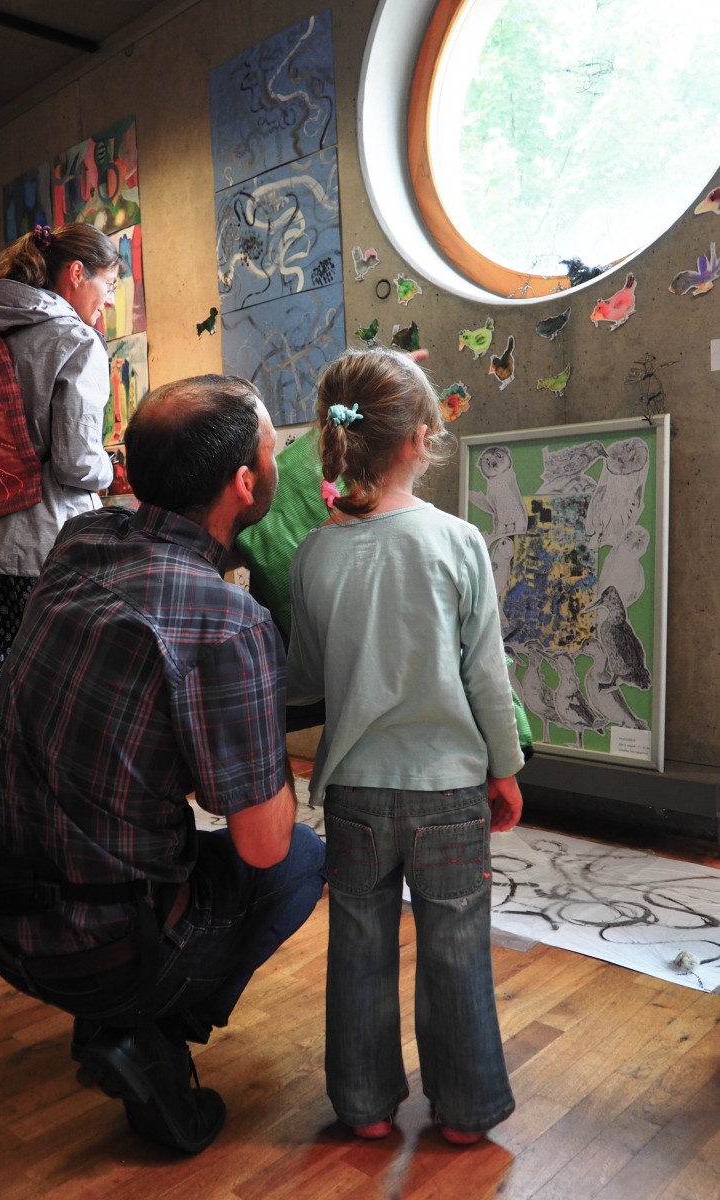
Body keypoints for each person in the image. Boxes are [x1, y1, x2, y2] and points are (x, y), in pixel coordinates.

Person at [0, 374, 326, 1155]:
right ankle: (148, 1035)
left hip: (3, 909)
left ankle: (120, 1011)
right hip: (99, 946)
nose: (279, 463)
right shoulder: (228, 622)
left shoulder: (81, 540)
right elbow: (263, 842)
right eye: (274, 451)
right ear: (245, 484)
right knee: (301, 858)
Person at [286, 347, 524, 1146]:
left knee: (357, 946)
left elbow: (305, 676)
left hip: (354, 790)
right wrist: (505, 769)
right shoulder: (458, 542)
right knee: (456, 947)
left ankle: (362, 1106)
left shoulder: (313, 552)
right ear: (423, 438)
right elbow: (488, 677)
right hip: (450, 789)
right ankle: (464, 1112)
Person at [0, 222, 117, 751]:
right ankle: (40, 787)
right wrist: (110, 467)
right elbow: (75, 463)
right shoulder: (75, 342)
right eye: (108, 285)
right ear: (77, 273)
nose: (109, 302)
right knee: (60, 673)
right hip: (43, 544)